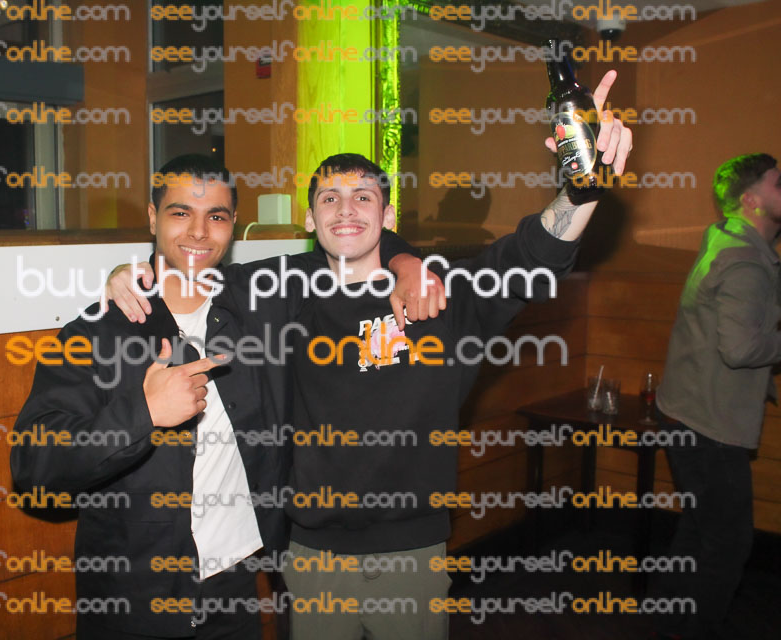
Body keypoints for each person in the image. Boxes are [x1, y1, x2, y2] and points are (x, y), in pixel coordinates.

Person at [108, 72, 632, 639]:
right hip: (309, 557)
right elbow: (189, 265)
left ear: (387, 216)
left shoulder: (442, 294)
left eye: (363, 197)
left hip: (412, 556)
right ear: (310, 219)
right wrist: (123, 274)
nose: (346, 210)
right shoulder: (278, 291)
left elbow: (532, 256)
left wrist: (583, 190)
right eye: (329, 199)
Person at [10, 154, 425, 639]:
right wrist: (143, 413)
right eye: (181, 212)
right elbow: (34, 467)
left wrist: (407, 264)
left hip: (236, 591)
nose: (199, 231)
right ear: (152, 218)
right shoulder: (98, 332)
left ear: (233, 226)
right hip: (134, 601)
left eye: (217, 216)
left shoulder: (263, 300)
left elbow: (352, 237)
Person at [652, 153, 781, 640]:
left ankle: (665, 620)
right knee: (727, 544)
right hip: (709, 426)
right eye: (778, 183)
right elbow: (741, 348)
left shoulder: (726, 238)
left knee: (699, 529)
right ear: (751, 201)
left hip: (686, 412)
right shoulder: (745, 261)